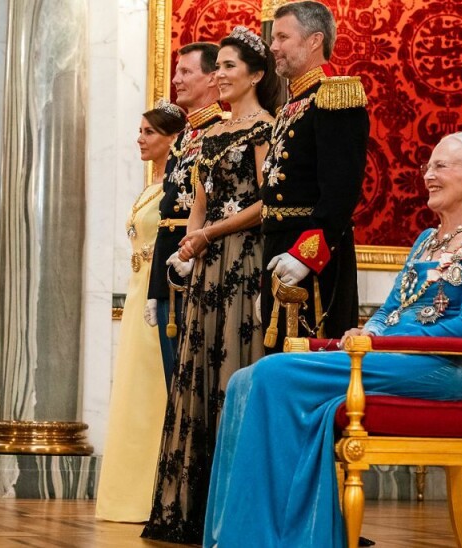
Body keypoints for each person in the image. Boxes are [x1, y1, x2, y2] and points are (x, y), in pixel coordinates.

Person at [203, 126, 462, 547]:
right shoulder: (427, 239)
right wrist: (368, 332)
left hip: (447, 367)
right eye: (428, 165)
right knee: (247, 379)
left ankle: (264, 537)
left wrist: (385, 343)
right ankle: (266, 533)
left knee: (273, 375)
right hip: (394, 357)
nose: (428, 174)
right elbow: (391, 310)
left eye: (441, 165)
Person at [142, 27, 281, 544]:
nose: (218, 76)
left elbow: (268, 203)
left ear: (256, 75)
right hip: (206, 266)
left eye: (228, 67)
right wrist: (187, 249)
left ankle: (233, 512)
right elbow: (199, 202)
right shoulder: (208, 135)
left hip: (243, 263)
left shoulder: (265, 129)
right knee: (194, 375)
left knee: (230, 370)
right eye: (216, 67)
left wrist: (209, 234)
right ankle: (189, 510)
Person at [259, 1, 370, 352]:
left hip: (314, 258)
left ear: (313, 41)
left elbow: (341, 191)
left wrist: (307, 255)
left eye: (282, 37)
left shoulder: (335, 97)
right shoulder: (291, 107)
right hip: (279, 247)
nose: (273, 46)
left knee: (308, 361)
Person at [96, 100, 187, 523]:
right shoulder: (153, 185)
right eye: (140, 130)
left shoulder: (178, 185)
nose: (140, 138)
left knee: (155, 392)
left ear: (171, 138)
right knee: (133, 391)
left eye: (149, 132)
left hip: (160, 295)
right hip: (138, 296)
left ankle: (155, 493)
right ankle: (126, 496)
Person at [145, 42, 225, 391]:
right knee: (172, 383)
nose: (176, 79)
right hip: (169, 270)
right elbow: (166, 218)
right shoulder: (183, 138)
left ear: (212, 78)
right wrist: (154, 288)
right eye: (177, 71)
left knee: (195, 385)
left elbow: (218, 206)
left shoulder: (221, 133)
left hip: (200, 265)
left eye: (186, 72)